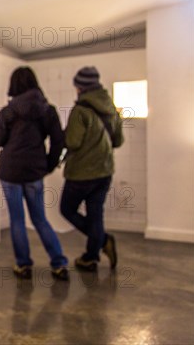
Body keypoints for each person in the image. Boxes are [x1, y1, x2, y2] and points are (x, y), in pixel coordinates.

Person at [0, 67, 68, 280]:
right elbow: (59, 141)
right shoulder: (47, 110)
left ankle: (23, 265)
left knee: (17, 220)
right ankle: (59, 263)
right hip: (34, 171)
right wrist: (48, 165)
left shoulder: (8, 111)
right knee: (40, 219)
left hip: (10, 170)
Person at [60, 67, 124, 271]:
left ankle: (103, 241)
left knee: (67, 209)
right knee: (95, 213)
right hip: (105, 171)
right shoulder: (110, 107)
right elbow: (118, 141)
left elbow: (73, 142)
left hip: (82, 173)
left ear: (80, 87)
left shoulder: (81, 110)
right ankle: (91, 257)